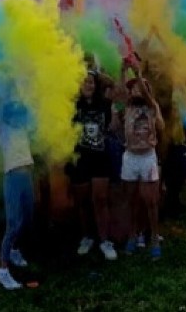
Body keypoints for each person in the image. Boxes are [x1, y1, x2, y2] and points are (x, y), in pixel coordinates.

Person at [70, 70, 117, 260]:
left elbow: (114, 86)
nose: (88, 85)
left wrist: (96, 73)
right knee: (82, 202)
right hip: (80, 159)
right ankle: (87, 237)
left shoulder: (105, 104)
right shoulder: (73, 106)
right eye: (84, 82)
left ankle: (105, 240)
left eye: (91, 82)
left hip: (100, 158)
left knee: (100, 199)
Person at [121, 69, 165, 259]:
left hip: (147, 157)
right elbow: (121, 90)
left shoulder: (151, 107)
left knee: (151, 201)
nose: (135, 91)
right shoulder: (128, 107)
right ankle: (133, 235)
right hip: (130, 157)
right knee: (131, 200)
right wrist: (123, 71)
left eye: (139, 88)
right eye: (133, 89)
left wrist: (139, 76)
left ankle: (154, 238)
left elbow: (148, 96)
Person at [0, 99, 35, 290]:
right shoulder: (3, 128)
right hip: (12, 178)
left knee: (26, 219)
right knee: (12, 224)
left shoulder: (24, 127)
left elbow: (30, 108)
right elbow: (1, 108)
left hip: (27, 177)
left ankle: (14, 249)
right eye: (14, 114)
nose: (17, 117)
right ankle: (3, 271)